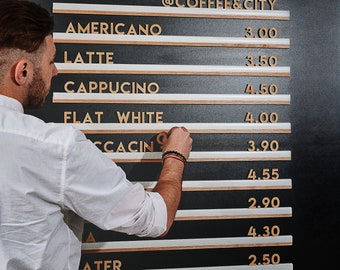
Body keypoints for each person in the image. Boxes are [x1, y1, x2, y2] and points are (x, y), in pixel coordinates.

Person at [0, 1, 192, 269]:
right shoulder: (57, 147)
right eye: (51, 61)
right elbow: (155, 219)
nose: (55, 71)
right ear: (22, 71)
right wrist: (175, 157)